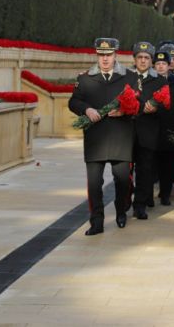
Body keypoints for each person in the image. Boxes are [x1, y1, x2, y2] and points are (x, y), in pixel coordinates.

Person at [68, 38, 140, 235]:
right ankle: (96, 222)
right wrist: (86, 109)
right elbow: (73, 102)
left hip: (121, 136)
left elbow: (138, 104)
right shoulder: (84, 79)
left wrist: (125, 111)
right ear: (97, 55)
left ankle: (121, 212)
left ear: (115, 55)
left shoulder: (130, 77)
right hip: (95, 137)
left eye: (108, 55)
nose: (105, 59)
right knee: (94, 183)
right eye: (101, 55)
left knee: (123, 179)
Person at [129, 42, 167, 219]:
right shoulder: (125, 78)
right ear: (134, 59)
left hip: (148, 131)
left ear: (151, 61)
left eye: (146, 58)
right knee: (123, 171)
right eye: (140, 57)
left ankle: (140, 204)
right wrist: (142, 106)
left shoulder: (160, 81)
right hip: (126, 132)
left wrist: (157, 108)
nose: (143, 61)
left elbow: (166, 105)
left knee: (145, 170)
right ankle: (123, 201)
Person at [154, 50, 174, 205]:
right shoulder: (149, 82)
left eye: (163, 64)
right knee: (155, 164)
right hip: (153, 128)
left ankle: (166, 193)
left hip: (171, 127)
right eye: (157, 64)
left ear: (168, 66)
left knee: (170, 163)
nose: (160, 67)